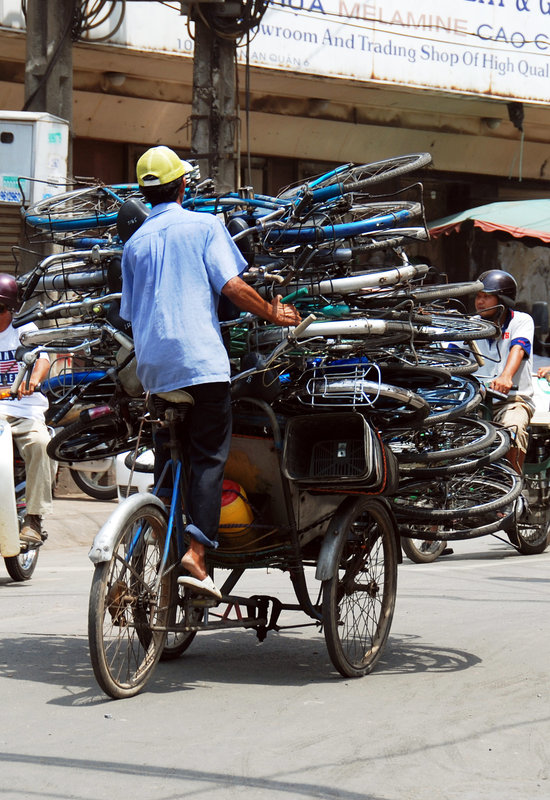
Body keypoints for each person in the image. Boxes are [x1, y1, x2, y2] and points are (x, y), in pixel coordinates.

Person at [120, 145, 301, 598]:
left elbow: (129, 312)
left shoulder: (134, 243)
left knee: (168, 458)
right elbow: (234, 286)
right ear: (183, 186)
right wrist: (272, 314)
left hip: (154, 372)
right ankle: (197, 554)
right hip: (201, 364)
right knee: (207, 457)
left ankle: (156, 535)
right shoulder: (204, 225)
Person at [0, 273, 52, 545]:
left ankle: (34, 518)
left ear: (9, 309)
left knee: (41, 444)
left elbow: (42, 360)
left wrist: (33, 380)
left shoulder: (25, 330)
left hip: (24, 411)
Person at [473, 269, 534, 474]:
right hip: (475, 402)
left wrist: (506, 377)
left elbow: (519, 348)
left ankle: (511, 490)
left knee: (513, 429)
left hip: (513, 400)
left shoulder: (521, 321)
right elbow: (452, 356)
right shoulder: (470, 325)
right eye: (478, 296)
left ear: (503, 299)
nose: (480, 302)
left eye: (486, 296)